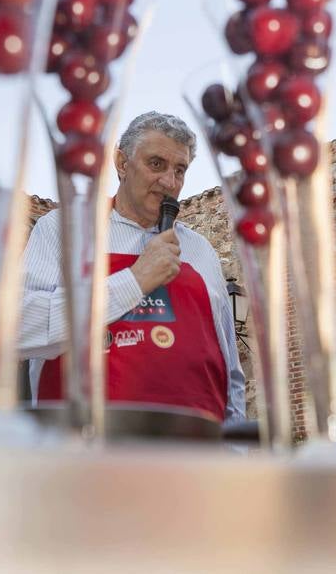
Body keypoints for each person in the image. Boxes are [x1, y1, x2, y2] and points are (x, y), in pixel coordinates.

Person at [19, 111, 245, 422]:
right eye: (156, 164)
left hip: (197, 456)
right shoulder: (64, 229)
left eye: (180, 170)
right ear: (122, 163)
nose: (169, 182)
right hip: (86, 454)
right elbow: (16, 331)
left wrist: (235, 449)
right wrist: (134, 281)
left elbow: (229, 368)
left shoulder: (200, 250)